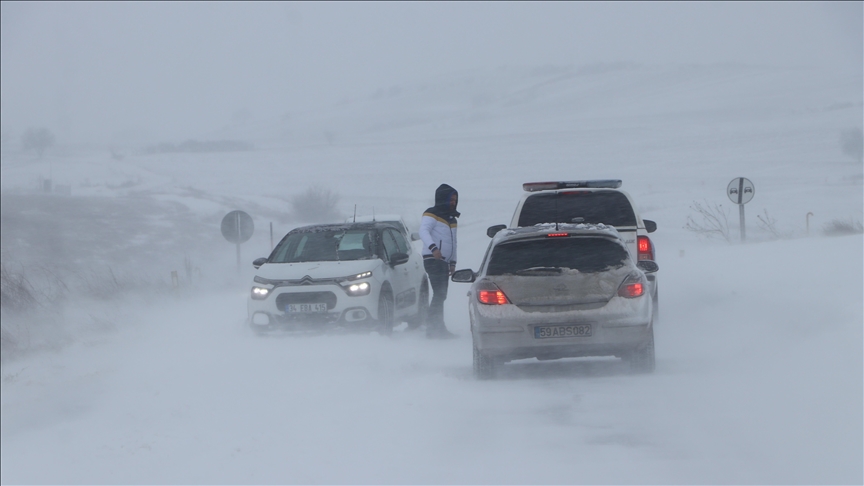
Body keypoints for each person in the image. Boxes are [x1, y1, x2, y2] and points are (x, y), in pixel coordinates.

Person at [419, 183, 460, 339]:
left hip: (444, 262)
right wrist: (433, 248)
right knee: (439, 294)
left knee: (441, 295)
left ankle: (438, 327)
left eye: (455, 200)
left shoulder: (452, 219)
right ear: (443, 198)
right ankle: (432, 328)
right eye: (451, 199)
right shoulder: (431, 214)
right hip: (433, 259)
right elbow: (423, 231)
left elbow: (454, 242)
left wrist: (453, 263)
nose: (453, 203)